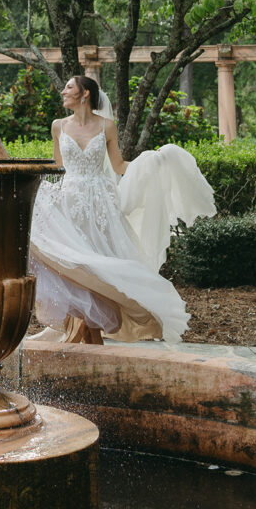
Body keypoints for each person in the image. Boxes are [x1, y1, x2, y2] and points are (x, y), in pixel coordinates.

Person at [28, 75, 216, 345]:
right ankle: (89, 335)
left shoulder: (107, 126)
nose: (63, 92)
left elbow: (117, 165)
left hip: (101, 205)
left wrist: (151, 163)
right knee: (75, 265)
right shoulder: (58, 126)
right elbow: (59, 167)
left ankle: (93, 336)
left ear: (85, 94)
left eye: (69, 87)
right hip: (70, 201)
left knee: (99, 267)